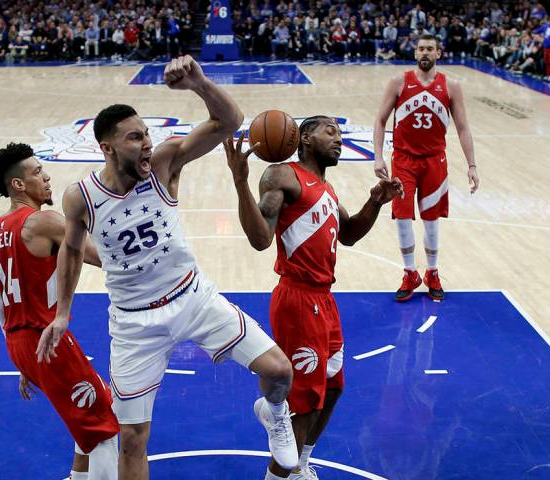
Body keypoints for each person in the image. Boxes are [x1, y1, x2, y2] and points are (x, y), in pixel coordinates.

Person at [36, 55, 298, 480]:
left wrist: (198, 83)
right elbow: (68, 251)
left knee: (280, 371)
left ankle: (274, 414)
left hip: (193, 298)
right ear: (106, 147)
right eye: (135, 137)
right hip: (134, 324)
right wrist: (63, 313)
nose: (146, 143)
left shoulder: (163, 166)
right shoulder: (80, 197)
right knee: (133, 439)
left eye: (148, 135)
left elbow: (228, 122)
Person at [224, 118, 403, 480]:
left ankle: (301, 463)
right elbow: (260, 238)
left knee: (333, 387)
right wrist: (241, 180)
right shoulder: (282, 177)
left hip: (325, 299)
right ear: (304, 138)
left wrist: (375, 201)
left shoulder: (326, 188)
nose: (338, 139)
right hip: (298, 299)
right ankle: (278, 475)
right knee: (305, 402)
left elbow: (349, 234)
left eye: (339, 133)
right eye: (330, 132)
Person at [0, 142, 120, 480]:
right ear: (18, 185)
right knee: (104, 429)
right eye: (37, 173)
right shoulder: (43, 221)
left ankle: (78, 477)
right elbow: (103, 258)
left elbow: (0, 303)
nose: (47, 178)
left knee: (87, 406)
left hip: (20, 342)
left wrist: (23, 359)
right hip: (47, 340)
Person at [373, 34, 479, 302]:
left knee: (432, 220)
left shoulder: (451, 86)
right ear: (415, 52)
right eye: (421, 48)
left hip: (435, 161)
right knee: (403, 217)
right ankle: (410, 272)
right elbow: (380, 121)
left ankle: (432, 272)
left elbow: (464, 128)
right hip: (403, 160)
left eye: (430, 49)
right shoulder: (398, 82)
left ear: (438, 53)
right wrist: (378, 157)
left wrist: (472, 165)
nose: (425, 53)